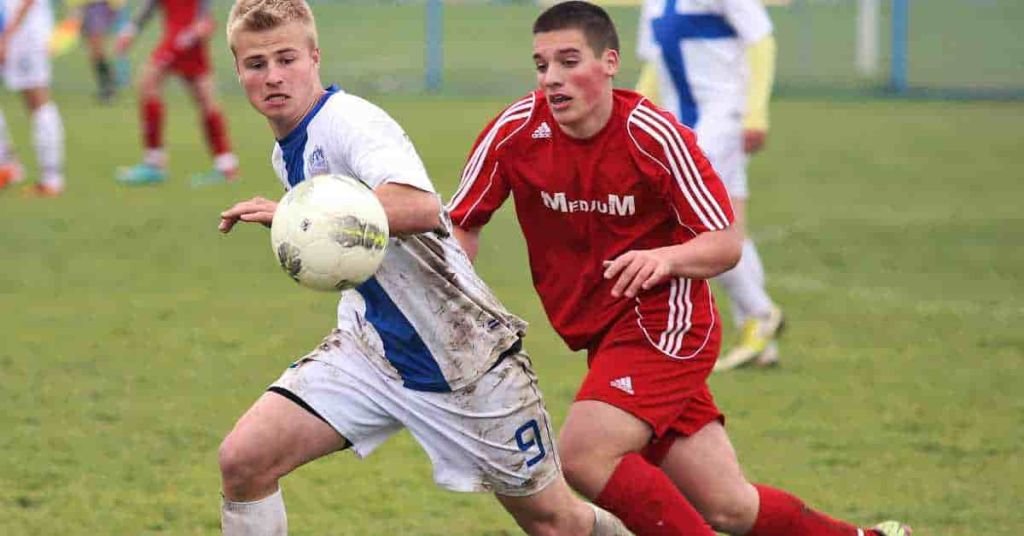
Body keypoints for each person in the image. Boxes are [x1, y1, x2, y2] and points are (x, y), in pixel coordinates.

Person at [447, 2, 909, 535]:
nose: (552, 78)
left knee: (584, 453)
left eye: (568, 61)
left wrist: (663, 258)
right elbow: (462, 220)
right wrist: (458, 302)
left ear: (609, 62)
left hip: (666, 324)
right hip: (602, 334)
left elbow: (725, 242)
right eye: (542, 64)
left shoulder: (654, 136)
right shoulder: (515, 132)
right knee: (729, 506)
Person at [214, 1, 629, 535]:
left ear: (315, 57)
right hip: (372, 353)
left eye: (286, 59)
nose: (272, 76)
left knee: (557, 524)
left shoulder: (349, 122)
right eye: (255, 65)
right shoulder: (288, 148)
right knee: (243, 462)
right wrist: (306, 220)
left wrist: (300, 214)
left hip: (464, 361)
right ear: (238, 73)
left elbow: (420, 207)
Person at [635, 0, 783, 371]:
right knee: (727, 225)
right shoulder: (654, 4)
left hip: (724, 118)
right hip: (683, 125)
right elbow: (655, 64)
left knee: (695, 220)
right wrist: (636, 114)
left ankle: (759, 312)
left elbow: (762, 41)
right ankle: (758, 336)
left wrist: (755, 113)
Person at [114, 0, 238, 186]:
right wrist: (131, 30)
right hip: (180, 36)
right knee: (205, 99)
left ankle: (154, 163)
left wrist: (202, 24)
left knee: (148, 82)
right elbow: (151, 5)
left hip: (186, 36)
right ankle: (226, 165)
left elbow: (204, 12)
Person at [0, 0, 66, 197]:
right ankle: (6, 166)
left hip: (26, 34)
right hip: (12, 30)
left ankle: (51, 179)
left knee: (37, 100)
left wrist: (7, 35)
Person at [65, 0, 125, 102]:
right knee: (92, 51)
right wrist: (73, 6)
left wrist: (116, 4)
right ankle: (106, 84)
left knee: (96, 45)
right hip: (80, 7)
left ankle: (108, 87)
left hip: (100, 5)